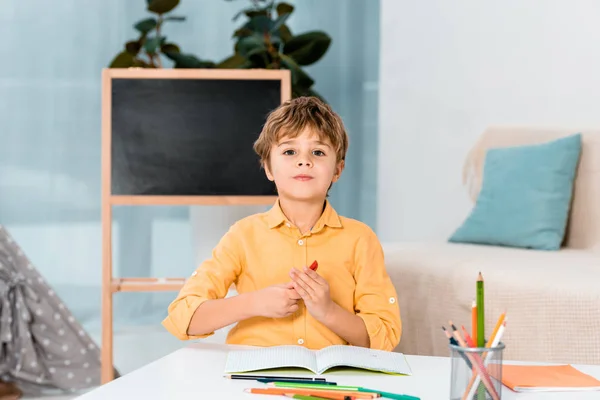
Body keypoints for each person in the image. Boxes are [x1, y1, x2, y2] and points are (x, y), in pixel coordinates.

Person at [162, 96, 401, 351]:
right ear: (268, 168)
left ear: (337, 170)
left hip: (327, 385)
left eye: (318, 152)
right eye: (289, 151)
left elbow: (385, 337)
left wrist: (328, 311)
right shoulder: (243, 235)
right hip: (252, 379)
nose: (304, 161)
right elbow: (183, 319)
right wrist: (254, 303)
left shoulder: (360, 239)